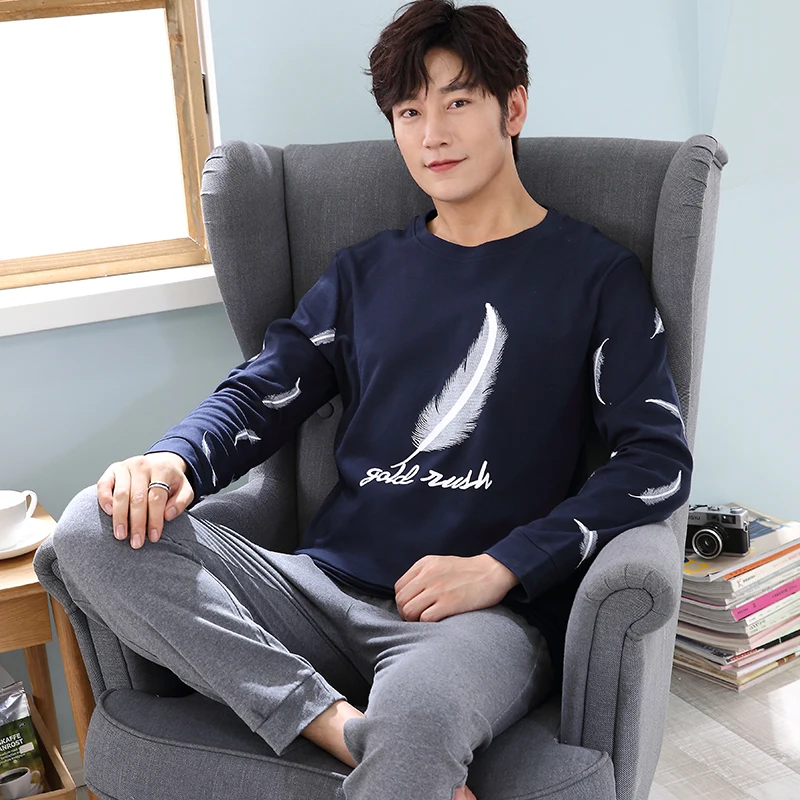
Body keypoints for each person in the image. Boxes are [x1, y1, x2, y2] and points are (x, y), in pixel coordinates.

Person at [50, 1, 693, 798]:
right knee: (90, 527)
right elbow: (262, 390)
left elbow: (655, 460)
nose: (432, 134)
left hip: (475, 623)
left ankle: (378, 740)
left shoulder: (596, 277)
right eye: (409, 112)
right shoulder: (362, 275)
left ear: (513, 108)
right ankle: (334, 725)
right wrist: (173, 459)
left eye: (458, 101)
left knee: (417, 724)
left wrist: (502, 565)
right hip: (316, 589)